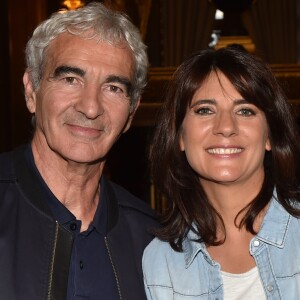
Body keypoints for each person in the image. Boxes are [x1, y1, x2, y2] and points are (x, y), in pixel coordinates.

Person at [0, 2, 159, 300]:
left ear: (132, 112)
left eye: (113, 88)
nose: (90, 107)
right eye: (71, 79)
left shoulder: (153, 240)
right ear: (31, 91)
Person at [142, 47, 300, 299]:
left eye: (245, 110)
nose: (226, 127)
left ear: (269, 135)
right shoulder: (161, 262)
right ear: (180, 135)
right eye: (205, 110)